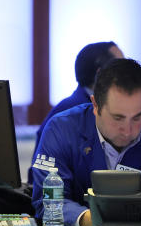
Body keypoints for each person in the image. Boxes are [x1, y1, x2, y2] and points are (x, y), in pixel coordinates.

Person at [31, 58, 141, 226]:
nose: (127, 130)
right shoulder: (61, 129)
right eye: (117, 118)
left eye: (137, 117)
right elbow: (48, 202)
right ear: (96, 105)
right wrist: (93, 219)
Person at [28, 41, 123, 187]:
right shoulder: (66, 116)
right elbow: (45, 184)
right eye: (121, 67)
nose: (129, 74)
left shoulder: (121, 110)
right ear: (101, 75)